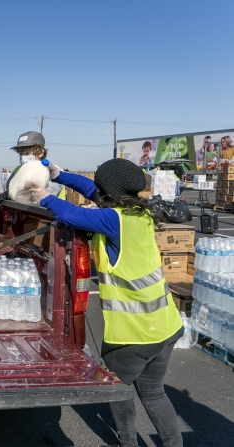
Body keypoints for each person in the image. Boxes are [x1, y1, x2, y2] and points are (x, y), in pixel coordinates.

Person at [28, 158, 184, 447]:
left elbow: (72, 215)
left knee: (117, 388)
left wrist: (44, 195)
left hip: (134, 335)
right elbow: (91, 189)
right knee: (153, 392)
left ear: (110, 191)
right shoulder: (138, 212)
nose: (96, 191)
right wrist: (59, 175)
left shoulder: (112, 220)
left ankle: (127, 443)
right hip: (165, 326)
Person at [0, 131, 64, 218]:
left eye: (27, 153)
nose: (23, 157)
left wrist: (11, 195)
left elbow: (43, 199)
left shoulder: (53, 172)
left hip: (51, 223)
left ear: (40, 152)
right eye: (21, 153)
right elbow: (4, 188)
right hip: (26, 221)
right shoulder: (19, 170)